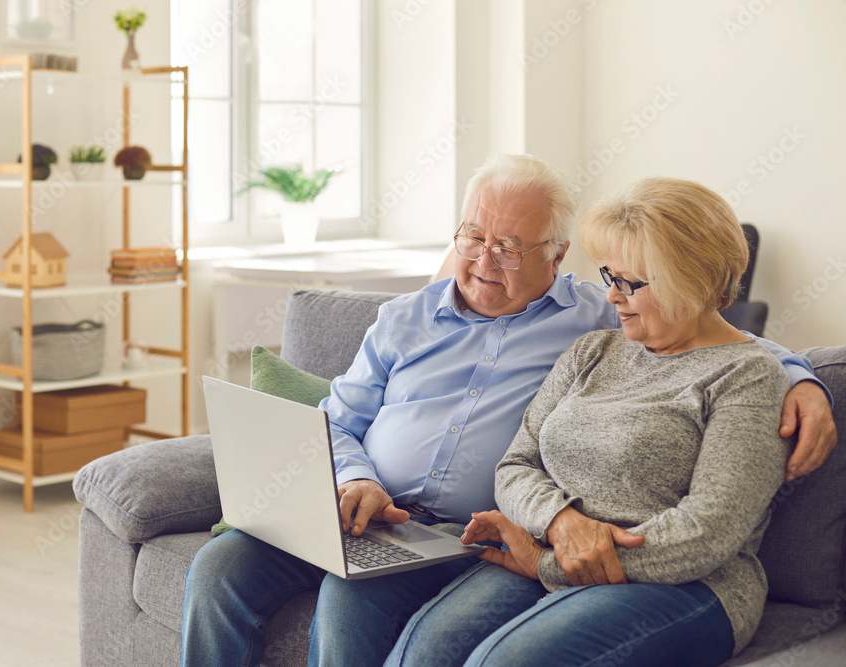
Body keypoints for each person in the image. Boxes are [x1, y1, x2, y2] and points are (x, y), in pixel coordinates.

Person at [181, 156, 836, 666]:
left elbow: (722, 342)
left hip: (474, 536)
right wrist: (356, 478)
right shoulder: (425, 322)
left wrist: (802, 375)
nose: (482, 258)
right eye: (473, 235)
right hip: (372, 510)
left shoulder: (593, 316)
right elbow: (356, 424)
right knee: (219, 568)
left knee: (364, 611)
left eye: (509, 245)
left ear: (555, 258)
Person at [385, 177, 799, 666]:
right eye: (608, 276)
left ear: (694, 281)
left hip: (688, 586)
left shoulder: (747, 377)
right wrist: (559, 521)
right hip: (548, 547)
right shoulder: (592, 351)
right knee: (427, 652)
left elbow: (707, 534)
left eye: (629, 283)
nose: (612, 296)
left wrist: (549, 563)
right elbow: (515, 465)